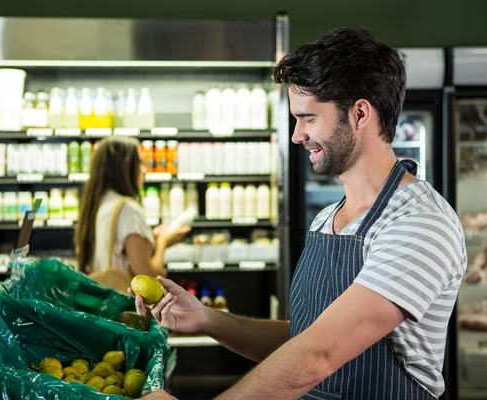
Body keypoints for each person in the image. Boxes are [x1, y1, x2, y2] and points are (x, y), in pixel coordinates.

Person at [136, 27, 466, 400]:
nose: (297, 135)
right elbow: (304, 339)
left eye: (308, 118)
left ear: (359, 113)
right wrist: (208, 319)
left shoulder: (419, 223)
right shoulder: (328, 218)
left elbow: (318, 356)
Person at [75, 136, 190, 282]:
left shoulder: (97, 204)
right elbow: (148, 277)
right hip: (125, 300)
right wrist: (163, 242)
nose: (144, 169)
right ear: (125, 168)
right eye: (139, 162)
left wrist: (151, 238)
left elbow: (116, 250)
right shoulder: (127, 209)